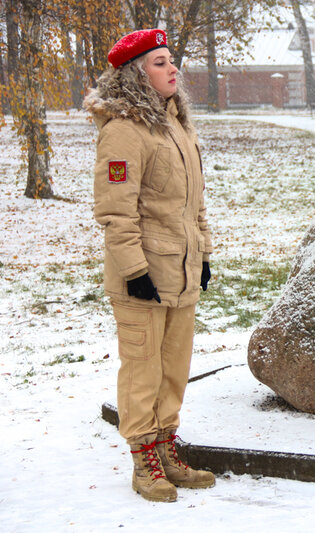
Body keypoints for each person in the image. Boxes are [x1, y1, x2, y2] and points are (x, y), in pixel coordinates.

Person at [84, 29, 215, 502]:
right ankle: (144, 461)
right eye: (160, 62)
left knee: (173, 369)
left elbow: (194, 202)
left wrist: (205, 253)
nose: (172, 68)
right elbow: (115, 212)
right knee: (142, 371)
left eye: (171, 60)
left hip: (182, 271)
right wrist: (135, 271)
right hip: (142, 274)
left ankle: (167, 448)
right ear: (137, 74)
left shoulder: (176, 124)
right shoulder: (123, 129)